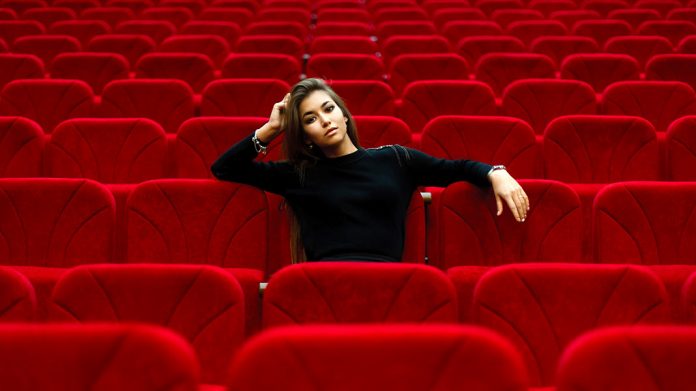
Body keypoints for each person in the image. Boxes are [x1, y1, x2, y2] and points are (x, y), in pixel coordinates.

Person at [211, 78, 529, 263]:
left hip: (390, 282)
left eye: (328, 109)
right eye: (310, 119)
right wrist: (271, 128)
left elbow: (455, 168)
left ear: (344, 115)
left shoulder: (395, 159)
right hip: (323, 284)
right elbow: (224, 168)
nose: (324, 120)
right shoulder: (297, 174)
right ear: (305, 136)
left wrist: (496, 172)